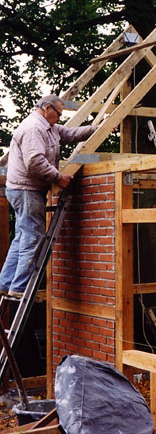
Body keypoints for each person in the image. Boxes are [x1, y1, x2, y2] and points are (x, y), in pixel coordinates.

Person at [0, 94, 97, 298]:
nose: (60, 118)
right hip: (26, 189)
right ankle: (18, 288)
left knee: (22, 237)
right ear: (46, 108)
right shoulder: (34, 128)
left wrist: (97, 128)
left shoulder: (49, 127)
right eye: (58, 113)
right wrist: (58, 177)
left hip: (24, 189)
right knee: (33, 236)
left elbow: (70, 134)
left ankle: (6, 283)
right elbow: (34, 161)